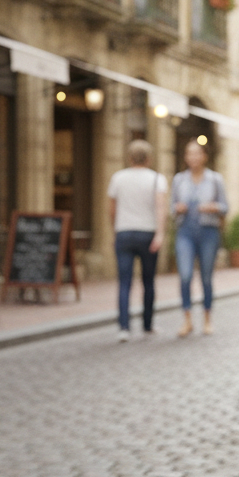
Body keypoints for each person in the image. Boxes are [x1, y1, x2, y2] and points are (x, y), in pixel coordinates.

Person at [107, 139, 167, 342]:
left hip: (123, 233)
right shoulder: (157, 179)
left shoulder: (118, 178)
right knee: (148, 281)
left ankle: (123, 327)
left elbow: (112, 209)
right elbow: (160, 209)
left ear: (129, 157)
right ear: (149, 158)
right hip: (147, 233)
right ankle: (147, 325)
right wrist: (160, 233)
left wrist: (114, 230)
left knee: (124, 282)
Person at [171, 140, 229, 338]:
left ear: (204, 156)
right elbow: (172, 208)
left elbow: (225, 207)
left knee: (206, 277)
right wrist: (177, 209)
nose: (193, 157)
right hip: (185, 232)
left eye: (197, 153)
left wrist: (214, 207)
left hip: (208, 232)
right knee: (185, 275)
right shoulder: (179, 180)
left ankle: (207, 318)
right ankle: (187, 319)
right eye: (189, 153)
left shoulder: (215, 179)